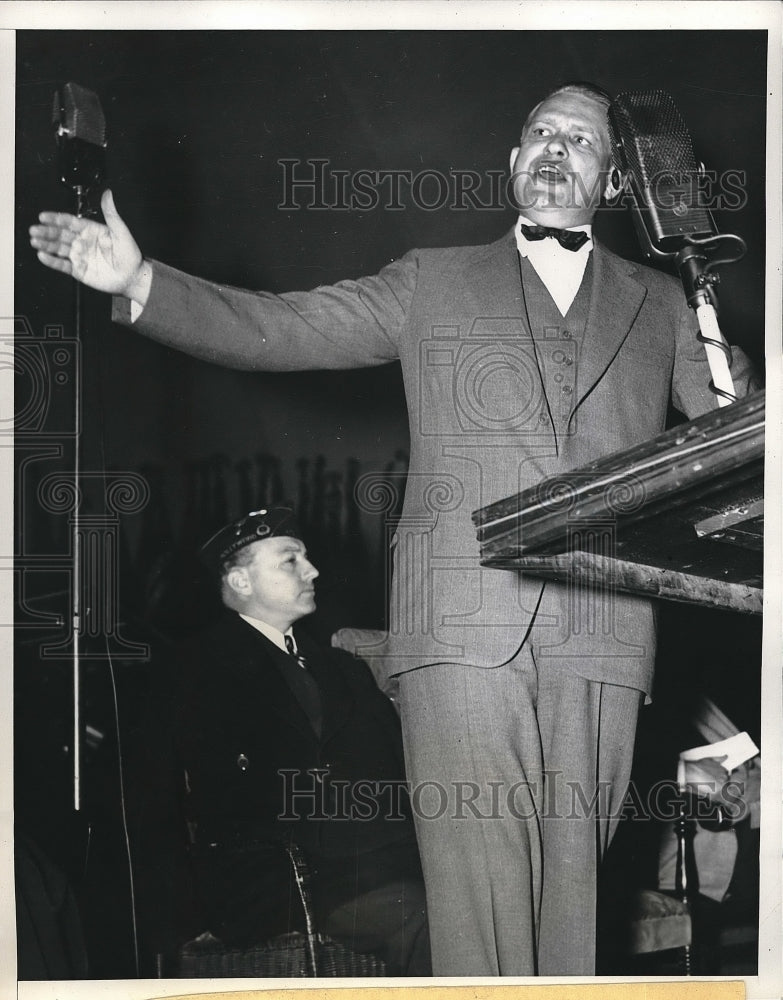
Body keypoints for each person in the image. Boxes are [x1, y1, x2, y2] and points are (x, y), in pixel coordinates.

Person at [30, 81, 759, 975]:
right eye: (538, 132)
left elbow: (730, 439)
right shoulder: (431, 279)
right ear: (511, 161)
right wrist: (142, 284)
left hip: (599, 636)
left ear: (614, 183)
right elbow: (285, 324)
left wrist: (716, 334)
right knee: (476, 899)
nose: (553, 149)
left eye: (579, 139)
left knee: (576, 899)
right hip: (457, 628)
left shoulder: (661, 303)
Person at [131, 506, 430, 976]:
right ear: (241, 583)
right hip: (277, 883)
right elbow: (155, 800)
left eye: (306, 557)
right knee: (426, 920)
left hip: (372, 865)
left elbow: (397, 772)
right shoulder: (194, 670)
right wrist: (173, 926)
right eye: (289, 560)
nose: (312, 570)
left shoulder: (344, 670)